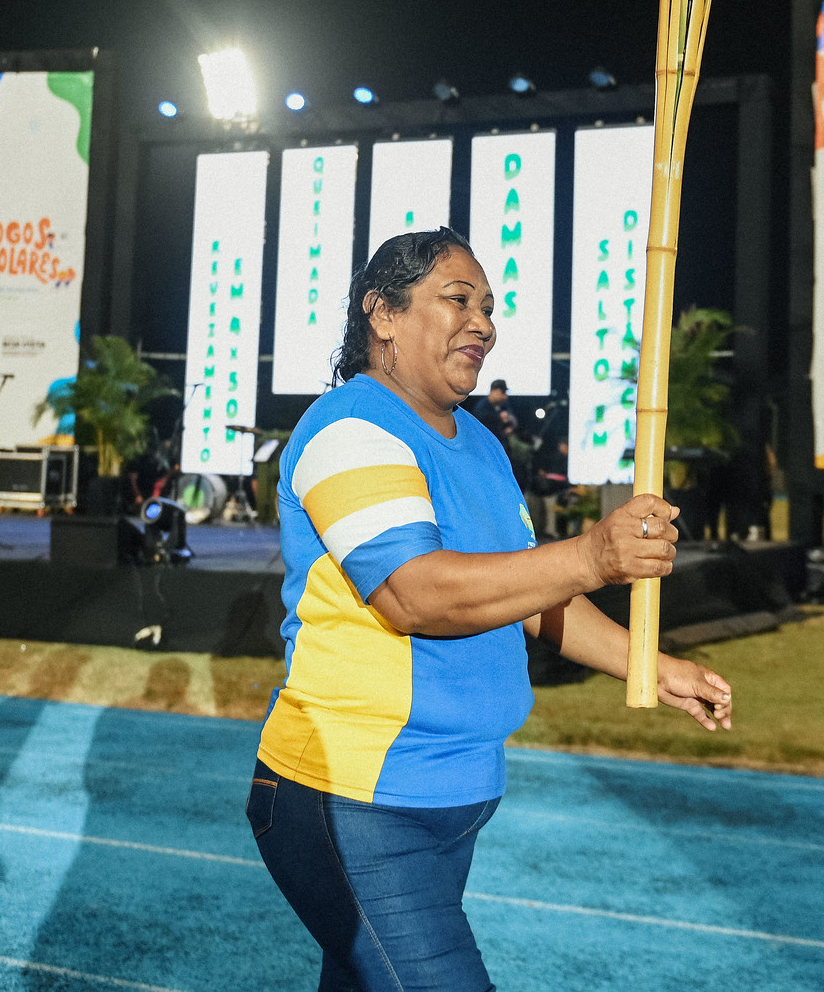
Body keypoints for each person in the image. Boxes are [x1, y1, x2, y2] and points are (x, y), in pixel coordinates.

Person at [250, 229, 732, 992]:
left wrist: (650, 663)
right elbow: (415, 594)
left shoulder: (475, 441)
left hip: (453, 796)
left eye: (488, 306)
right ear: (382, 314)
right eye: (457, 300)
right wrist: (592, 555)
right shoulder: (351, 428)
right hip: (354, 798)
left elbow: (531, 596)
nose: (482, 322)